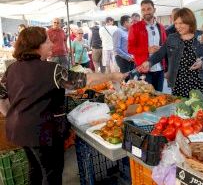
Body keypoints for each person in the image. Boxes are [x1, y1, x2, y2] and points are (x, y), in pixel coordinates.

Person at [0, 26, 125, 185]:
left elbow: (1, 97)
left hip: (20, 130)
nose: (52, 44)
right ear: (36, 45)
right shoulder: (52, 70)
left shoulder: (12, 68)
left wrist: (13, 115)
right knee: (51, 173)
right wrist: (112, 75)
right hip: (42, 132)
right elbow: (87, 80)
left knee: (35, 169)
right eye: (47, 41)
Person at [139, 8, 203, 98]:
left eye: (181, 23)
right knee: (180, 110)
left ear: (190, 22)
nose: (177, 26)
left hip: (200, 81)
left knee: (201, 110)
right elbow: (160, 53)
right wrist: (149, 62)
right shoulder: (172, 38)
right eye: (175, 23)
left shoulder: (202, 35)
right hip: (178, 83)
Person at [128, 0, 167, 92]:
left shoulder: (161, 27)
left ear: (154, 10)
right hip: (143, 69)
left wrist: (161, 49)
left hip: (159, 68)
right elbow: (130, 49)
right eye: (143, 10)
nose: (146, 12)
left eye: (149, 9)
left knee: (159, 96)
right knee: (146, 97)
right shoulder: (135, 27)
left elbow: (166, 46)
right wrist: (147, 50)